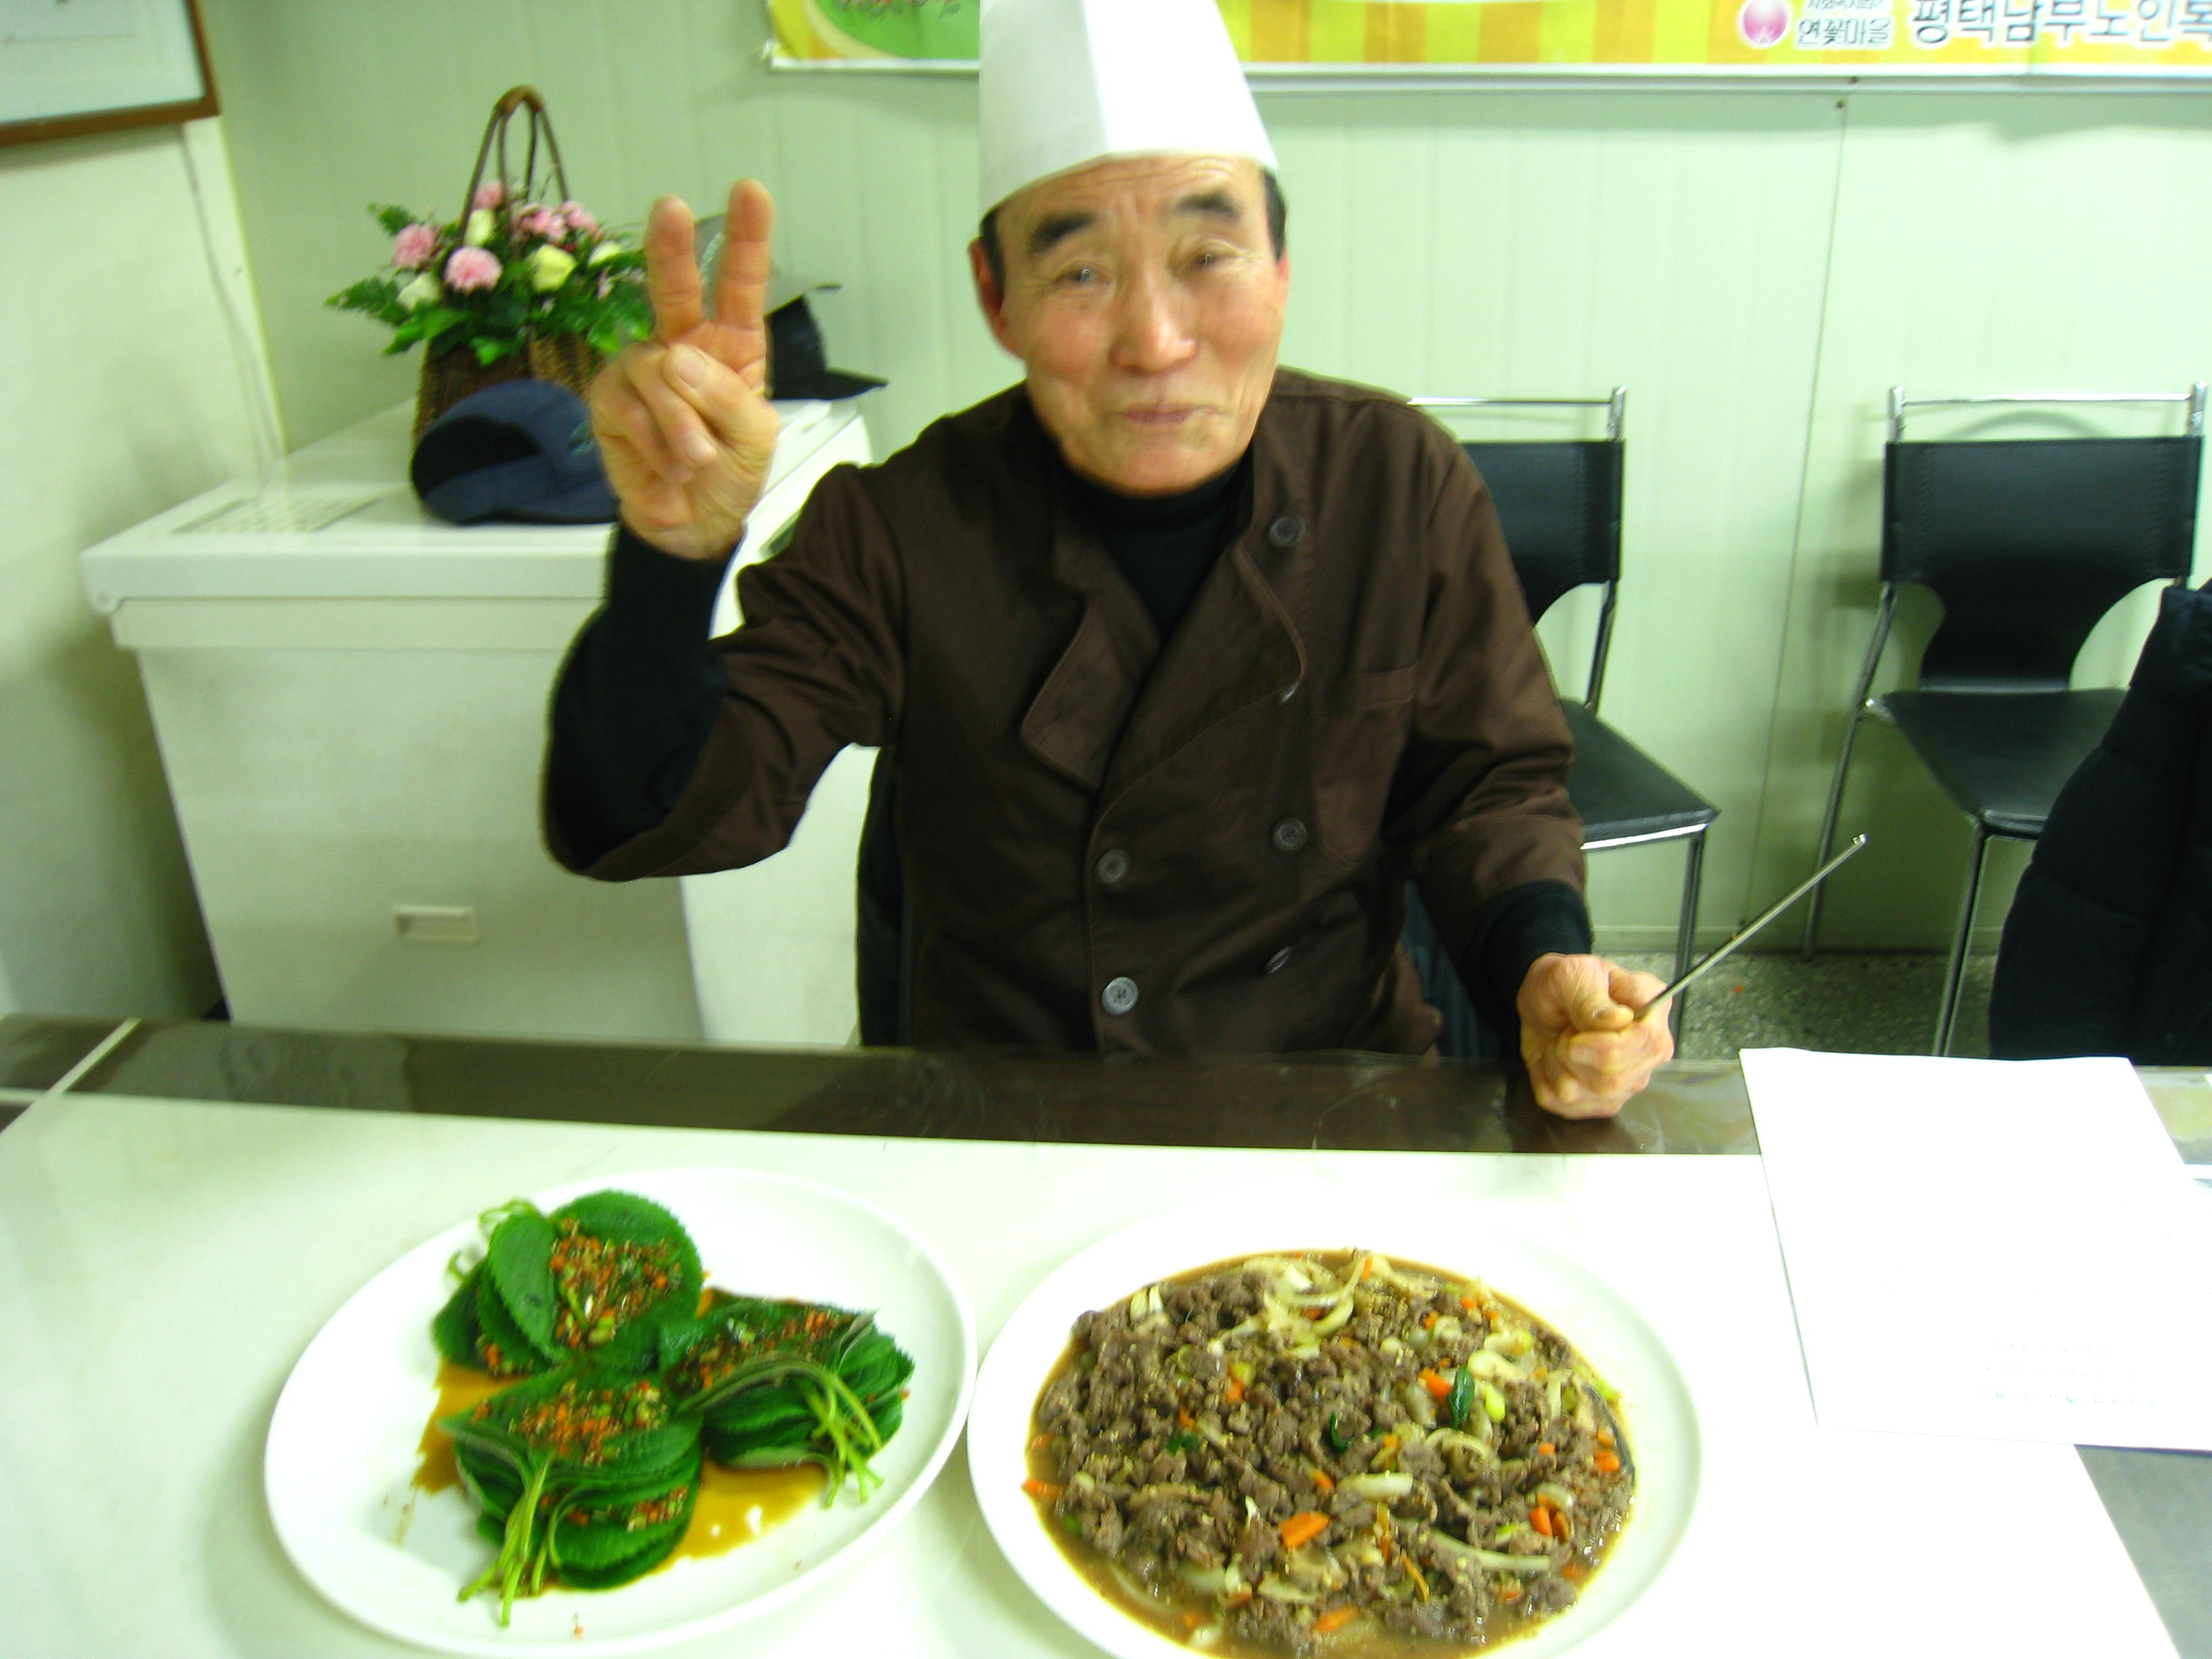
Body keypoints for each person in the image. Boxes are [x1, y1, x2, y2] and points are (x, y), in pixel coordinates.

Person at [544, 0, 1672, 1118]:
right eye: (1081, 272)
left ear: (1281, 270)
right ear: (997, 298)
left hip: (1327, 1102)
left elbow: (1489, 786)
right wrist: (668, 562)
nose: (1156, 342)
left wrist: (1540, 959)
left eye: (1208, 256)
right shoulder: (904, 525)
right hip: (1013, 1120)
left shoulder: (1395, 483)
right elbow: (657, 813)